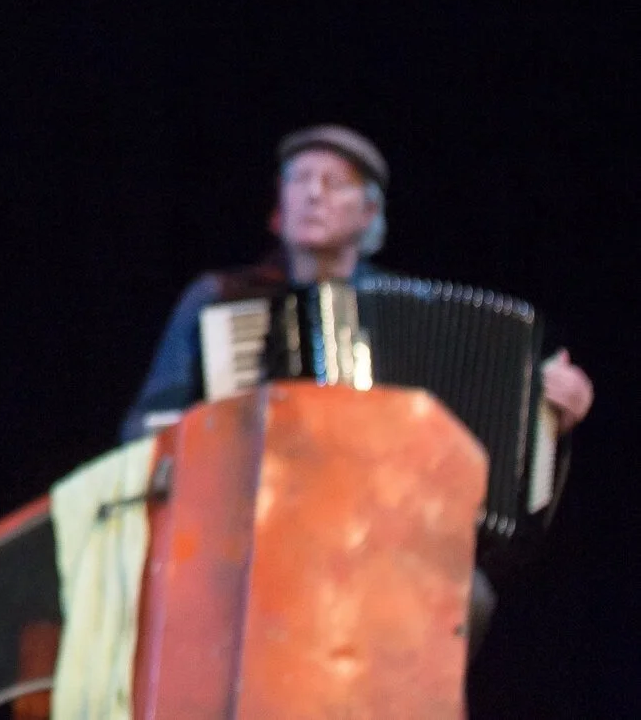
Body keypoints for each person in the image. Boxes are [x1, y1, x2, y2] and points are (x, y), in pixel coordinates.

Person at [120, 123, 593, 650]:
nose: (313, 193)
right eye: (299, 179)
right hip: (245, 521)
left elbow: (489, 407)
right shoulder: (223, 300)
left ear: (369, 213)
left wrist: (545, 407)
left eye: (334, 182)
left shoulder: (412, 312)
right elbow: (149, 426)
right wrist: (218, 442)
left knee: (469, 597)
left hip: (372, 533)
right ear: (279, 201)